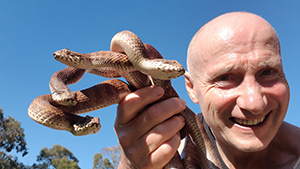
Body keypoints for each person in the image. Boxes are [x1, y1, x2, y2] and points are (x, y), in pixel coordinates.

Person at [114, 12, 300, 169]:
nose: (255, 103)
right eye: (225, 78)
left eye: (268, 72)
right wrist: (130, 165)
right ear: (191, 88)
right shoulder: (170, 148)